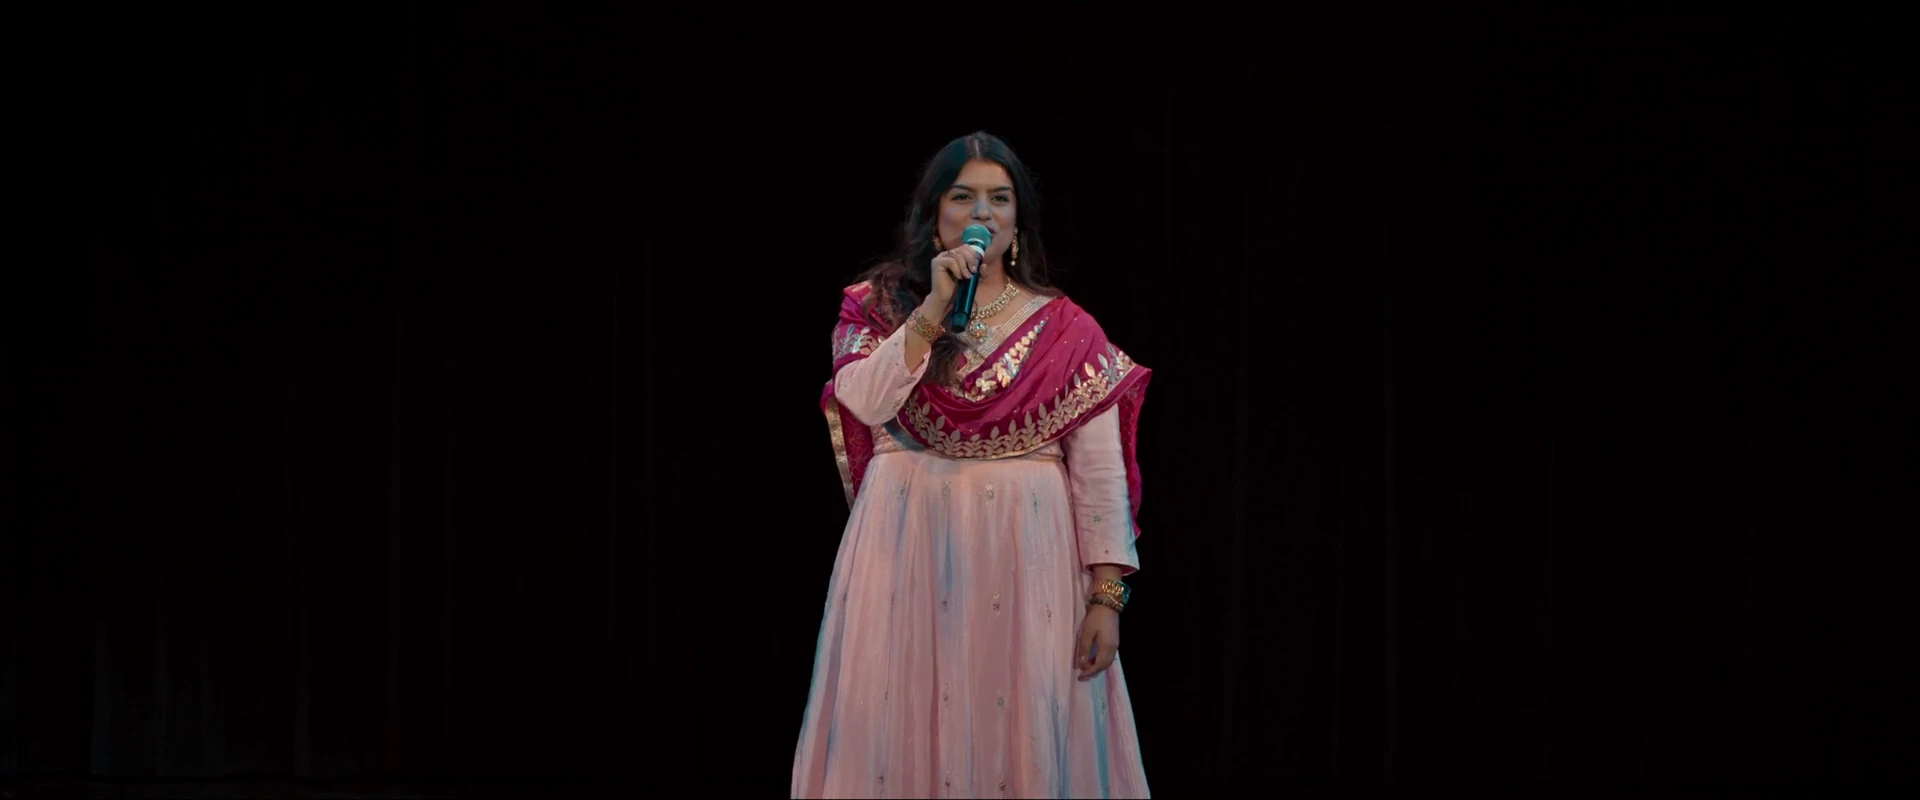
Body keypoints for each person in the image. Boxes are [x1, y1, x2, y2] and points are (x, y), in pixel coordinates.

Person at [791, 131, 1153, 799]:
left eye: (999, 199)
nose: (981, 213)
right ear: (935, 217)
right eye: (962, 197)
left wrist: (1107, 597)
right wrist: (932, 308)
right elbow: (863, 400)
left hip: (1026, 558)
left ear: (1017, 223)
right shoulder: (876, 307)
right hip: (907, 549)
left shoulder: (1068, 329)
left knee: (1023, 730)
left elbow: (1100, 474)